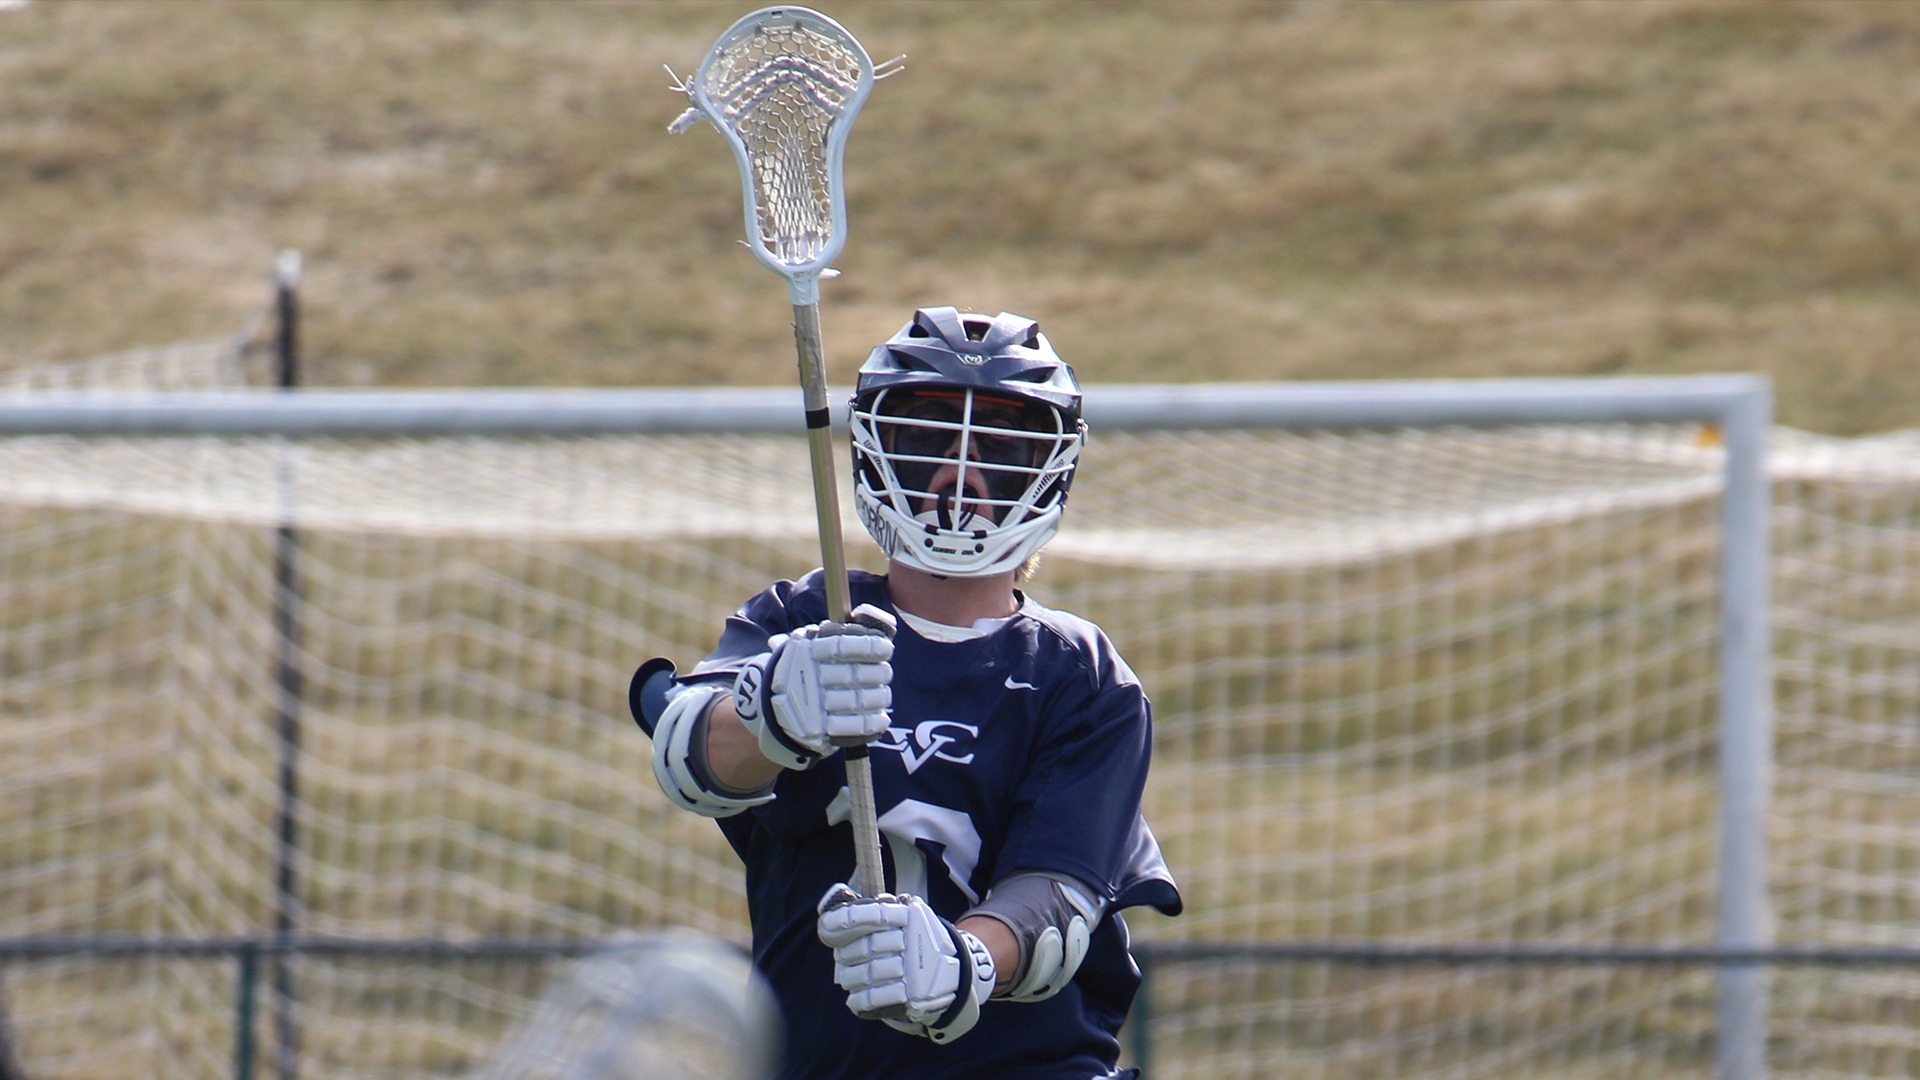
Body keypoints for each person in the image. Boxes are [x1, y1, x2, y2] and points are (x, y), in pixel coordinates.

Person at [631, 306, 1181, 1080]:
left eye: (998, 446)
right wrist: (772, 714)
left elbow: (1059, 898)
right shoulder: (804, 620)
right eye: (928, 440)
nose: (961, 474)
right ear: (875, 449)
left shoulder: (1080, 675)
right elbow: (691, 754)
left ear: (1048, 469)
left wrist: (965, 963)